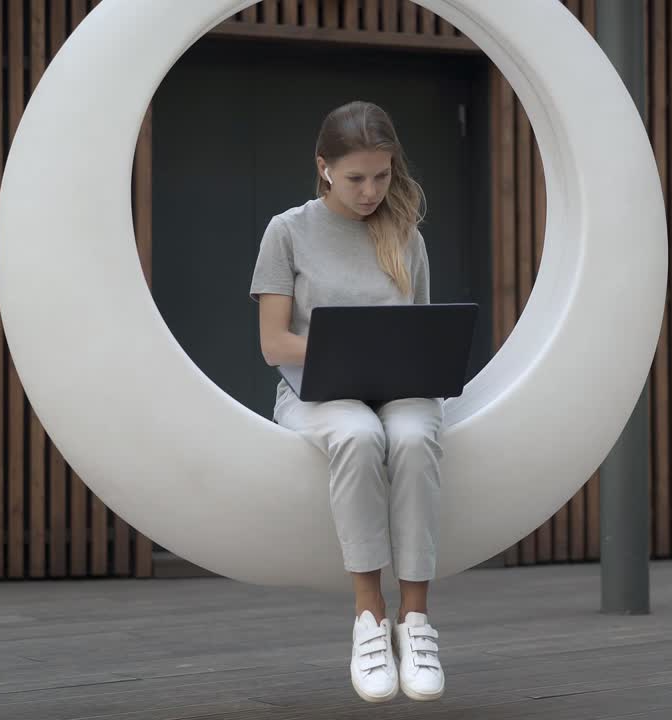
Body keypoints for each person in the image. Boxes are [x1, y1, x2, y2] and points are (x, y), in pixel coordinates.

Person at [249, 100, 445, 704]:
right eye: (356, 177)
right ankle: (369, 617)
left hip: (400, 390)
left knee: (413, 436)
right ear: (324, 167)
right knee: (359, 435)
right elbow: (274, 342)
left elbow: (420, 332)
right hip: (317, 393)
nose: (370, 192)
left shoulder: (405, 234)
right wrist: (345, 349)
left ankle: (417, 622)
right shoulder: (288, 231)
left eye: (382, 176)